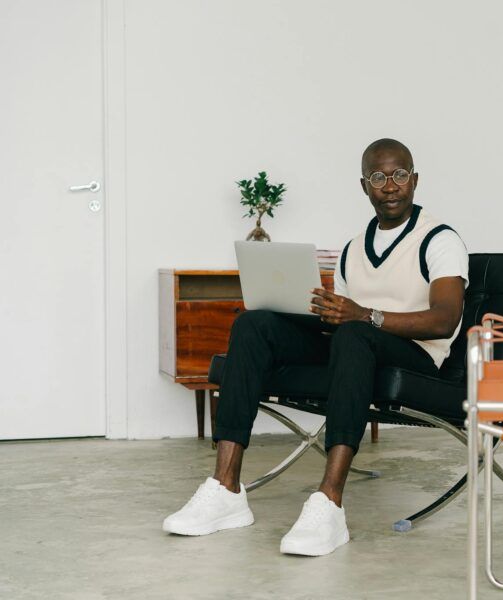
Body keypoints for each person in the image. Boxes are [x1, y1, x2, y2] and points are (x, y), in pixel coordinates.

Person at [163, 139, 468, 556]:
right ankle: (225, 489)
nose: (391, 186)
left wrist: (364, 316)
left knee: (355, 333)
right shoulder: (352, 248)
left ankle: (329, 503)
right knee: (255, 324)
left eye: (400, 175)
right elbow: (346, 322)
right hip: (356, 345)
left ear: (414, 179)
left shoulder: (439, 239)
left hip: (416, 358)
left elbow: (445, 318)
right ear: (365, 186)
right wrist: (324, 316)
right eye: (379, 177)